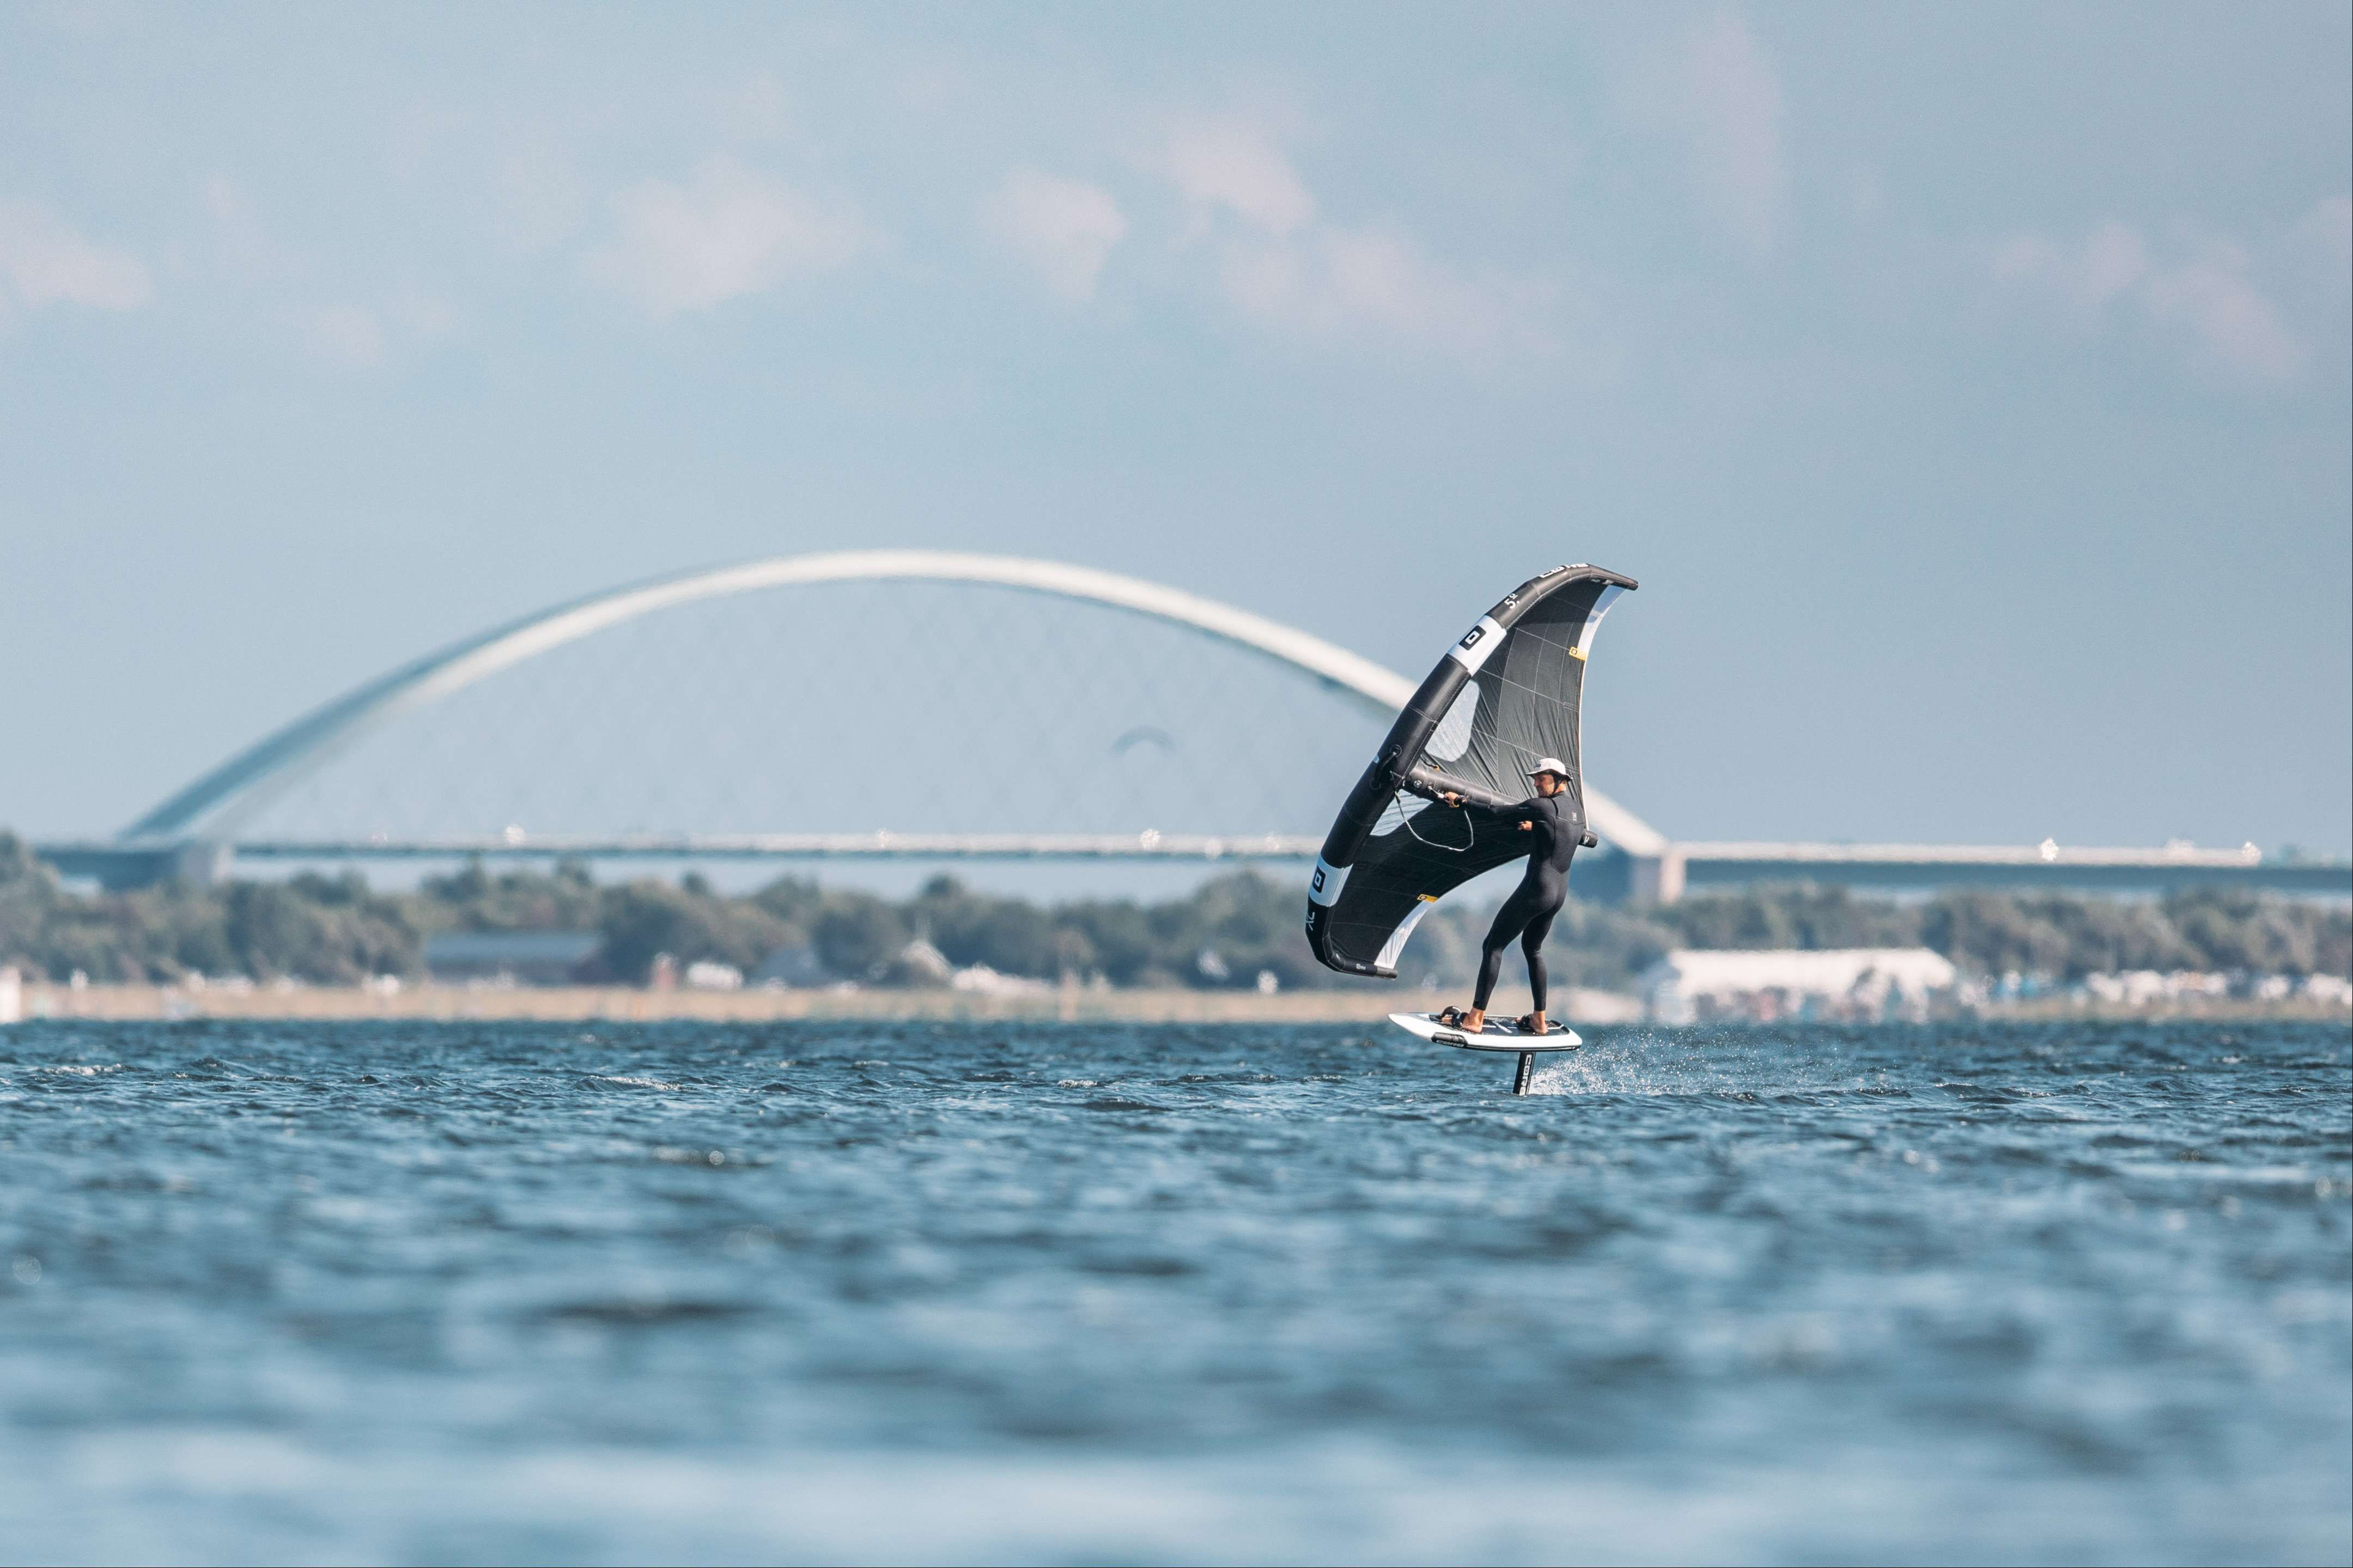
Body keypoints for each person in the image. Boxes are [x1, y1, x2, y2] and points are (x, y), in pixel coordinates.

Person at [1432, 758, 1591, 1036]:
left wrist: (1461, 802)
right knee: (1533, 949)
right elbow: (1575, 835)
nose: (1535, 783)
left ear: (1559, 779)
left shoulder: (1540, 806)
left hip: (1537, 889)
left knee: (1493, 945)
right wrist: (1537, 827)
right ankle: (1539, 1021)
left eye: (1541, 779)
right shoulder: (1576, 812)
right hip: (1558, 895)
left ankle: (1475, 1018)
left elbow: (1497, 812)